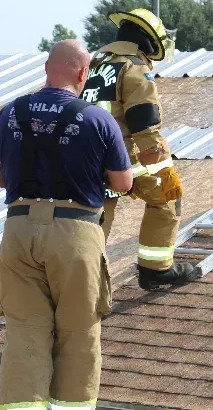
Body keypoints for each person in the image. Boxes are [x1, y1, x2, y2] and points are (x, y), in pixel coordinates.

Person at [0, 40, 133, 407]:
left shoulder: (9, 112)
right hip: (74, 233)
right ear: (82, 73)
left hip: (18, 230)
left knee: (25, 331)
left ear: (46, 67)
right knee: (78, 332)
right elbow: (123, 183)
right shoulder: (96, 118)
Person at [82, 8, 194, 290]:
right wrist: (163, 169)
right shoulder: (133, 67)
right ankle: (155, 269)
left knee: (90, 226)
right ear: (148, 41)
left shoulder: (91, 65)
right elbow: (144, 122)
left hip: (83, 158)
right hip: (121, 157)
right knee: (168, 197)